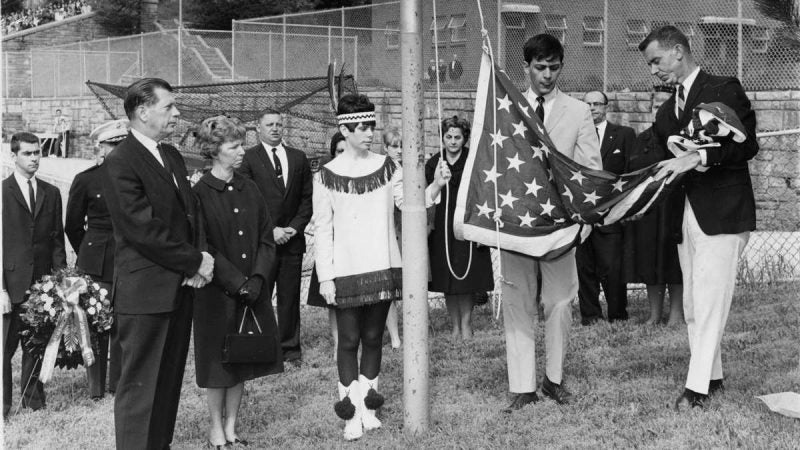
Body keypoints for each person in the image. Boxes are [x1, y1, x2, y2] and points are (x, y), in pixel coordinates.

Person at [314, 94, 447, 440]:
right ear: (344, 130)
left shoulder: (389, 167)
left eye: (370, 126)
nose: (368, 133)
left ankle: (369, 407)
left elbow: (410, 203)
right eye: (360, 128)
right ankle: (350, 413)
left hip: (384, 264)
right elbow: (323, 229)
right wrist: (325, 277)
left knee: (374, 337)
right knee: (349, 340)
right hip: (345, 270)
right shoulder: (326, 175)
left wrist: (435, 185)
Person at [639, 25, 757, 410]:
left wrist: (703, 156)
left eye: (657, 61)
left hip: (722, 213)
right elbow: (653, 158)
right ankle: (714, 375)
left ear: (678, 51)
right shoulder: (664, 110)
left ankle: (696, 389)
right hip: (684, 216)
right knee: (692, 303)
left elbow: (747, 146)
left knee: (709, 300)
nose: (654, 71)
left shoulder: (724, 87)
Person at [103, 78, 214, 449]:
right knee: (140, 394)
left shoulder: (172, 156)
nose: (177, 113)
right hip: (145, 296)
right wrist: (194, 261)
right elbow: (142, 229)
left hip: (179, 291)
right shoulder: (120, 162)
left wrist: (196, 263)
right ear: (142, 111)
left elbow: (190, 214)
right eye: (168, 107)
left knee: (166, 389)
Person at [502, 34, 602, 412]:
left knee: (560, 303)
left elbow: (591, 168)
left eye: (554, 67)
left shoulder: (578, 111)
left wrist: (586, 220)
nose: (547, 75)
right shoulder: (507, 110)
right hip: (517, 222)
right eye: (539, 67)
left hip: (562, 225)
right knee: (517, 300)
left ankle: (553, 379)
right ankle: (522, 385)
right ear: (526, 67)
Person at [192, 115, 283, 448]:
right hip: (217, 293)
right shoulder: (200, 192)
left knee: (242, 359)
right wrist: (236, 282)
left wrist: (258, 278)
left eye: (241, 144)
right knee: (218, 364)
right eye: (234, 146)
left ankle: (232, 426)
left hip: (253, 289)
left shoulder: (250, 187)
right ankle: (215, 427)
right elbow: (204, 245)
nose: (241, 151)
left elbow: (265, 237)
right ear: (216, 151)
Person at [240, 110, 313, 367]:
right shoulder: (248, 159)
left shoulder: (298, 158)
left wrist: (293, 228)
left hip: (292, 243)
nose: (275, 129)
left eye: (279, 124)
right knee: (259, 296)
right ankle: (260, 348)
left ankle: (290, 350)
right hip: (263, 243)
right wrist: (271, 231)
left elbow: (306, 200)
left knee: (289, 299)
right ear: (258, 128)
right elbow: (248, 201)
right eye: (269, 125)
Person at [2, 132, 67, 418]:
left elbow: (56, 241)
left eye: (37, 153)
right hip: (10, 285)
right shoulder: (2, 192)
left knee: (35, 344)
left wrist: (59, 283)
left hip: (41, 286)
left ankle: (32, 399)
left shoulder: (51, 194)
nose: (33, 158)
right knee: (4, 350)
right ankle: (3, 405)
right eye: (27, 153)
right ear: (13, 156)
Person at [65, 119, 127, 399]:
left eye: (122, 144)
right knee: (97, 322)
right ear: (100, 147)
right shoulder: (86, 179)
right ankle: (96, 387)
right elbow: (73, 225)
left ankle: (119, 383)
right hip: (97, 261)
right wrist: (89, 253)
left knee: (124, 323)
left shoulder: (136, 177)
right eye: (112, 144)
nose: (117, 149)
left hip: (129, 259)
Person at [425, 116, 493, 339]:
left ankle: (466, 324)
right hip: (442, 227)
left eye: (457, 137)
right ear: (442, 138)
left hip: (467, 223)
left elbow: (484, 195)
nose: (453, 141)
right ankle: (454, 325)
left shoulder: (474, 162)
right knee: (448, 279)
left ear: (465, 139)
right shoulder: (434, 163)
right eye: (448, 137)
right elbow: (426, 197)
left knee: (467, 278)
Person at [576, 91, 636, 325]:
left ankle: (618, 314)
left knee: (612, 268)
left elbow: (631, 173)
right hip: (582, 213)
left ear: (606, 107)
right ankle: (590, 316)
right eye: (588, 104)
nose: (592, 108)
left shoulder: (623, 135)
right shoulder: (575, 136)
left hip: (611, 214)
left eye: (597, 104)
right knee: (584, 267)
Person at [624, 127, 684, 326]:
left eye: (663, 106)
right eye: (655, 105)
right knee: (651, 259)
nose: (659, 111)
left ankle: (676, 314)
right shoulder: (643, 138)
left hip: (676, 206)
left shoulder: (683, 135)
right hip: (649, 208)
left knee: (674, 261)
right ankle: (655, 314)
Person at [306, 132, 347, 359]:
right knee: (333, 301)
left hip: (351, 242)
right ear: (333, 153)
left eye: (345, 151)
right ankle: (338, 343)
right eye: (339, 151)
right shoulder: (323, 177)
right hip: (330, 241)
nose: (342, 155)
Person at [381, 126, 403, 349]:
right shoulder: (381, 167)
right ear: (385, 147)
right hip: (380, 233)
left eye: (402, 146)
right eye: (395, 146)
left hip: (396, 234)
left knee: (390, 290)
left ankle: (395, 336)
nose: (399, 150)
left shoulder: (400, 169)